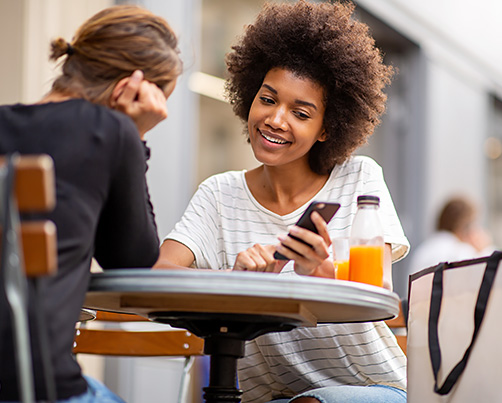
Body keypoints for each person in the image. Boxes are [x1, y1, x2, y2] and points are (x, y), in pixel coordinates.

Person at [155, 1, 409, 402]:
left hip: (374, 388)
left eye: (301, 112)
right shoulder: (219, 194)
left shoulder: (358, 179)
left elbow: (378, 294)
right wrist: (233, 281)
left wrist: (318, 271)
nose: (276, 119)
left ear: (327, 128)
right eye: (268, 99)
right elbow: (161, 275)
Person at [0, 5, 182, 402]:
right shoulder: (111, 131)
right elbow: (134, 262)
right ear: (129, 88)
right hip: (35, 386)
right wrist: (135, 134)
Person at [408, 196, 494, 275]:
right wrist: (483, 249)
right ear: (464, 227)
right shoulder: (460, 251)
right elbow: (489, 273)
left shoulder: (422, 250)